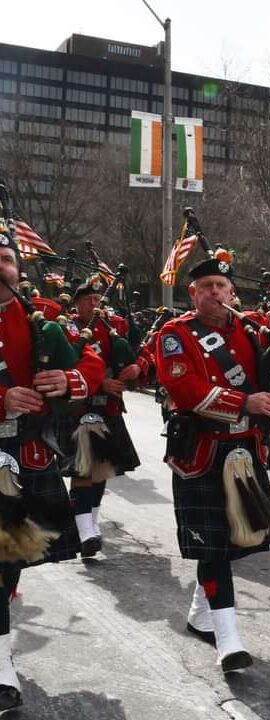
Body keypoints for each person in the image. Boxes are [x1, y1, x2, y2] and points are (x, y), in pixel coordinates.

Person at [156, 257, 270, 672]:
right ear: (193, 294)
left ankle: (202, 609)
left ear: (232, 293)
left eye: (221, 285)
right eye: (206, 286)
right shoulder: (175, 334)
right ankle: (228, 639)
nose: (215, 293)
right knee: (215, 548)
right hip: (202, 452)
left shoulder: (252, 331)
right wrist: (242, 402)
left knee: (235, 544)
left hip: (246, 452)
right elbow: (182, 386)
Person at [0, 234, 104, 711]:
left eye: (5, 258)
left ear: (18, 268)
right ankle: (2, 664)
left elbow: (92, 360)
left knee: (8, 561)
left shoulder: (43, 318)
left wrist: (68, 380)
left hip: (27, 456)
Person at [60, 276, 142, 558]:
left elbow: (133, 357)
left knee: (101, 471)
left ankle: (91, 524)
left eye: (98, 299)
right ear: (77, 304)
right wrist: (99, 383)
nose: (95, 304)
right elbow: (67, 366)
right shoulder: (67, 328)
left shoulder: (113, 326)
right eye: (88, 300)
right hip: (79, 409)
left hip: (107, 409)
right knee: (83, 470)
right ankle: (84, 531)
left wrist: (134, 370)